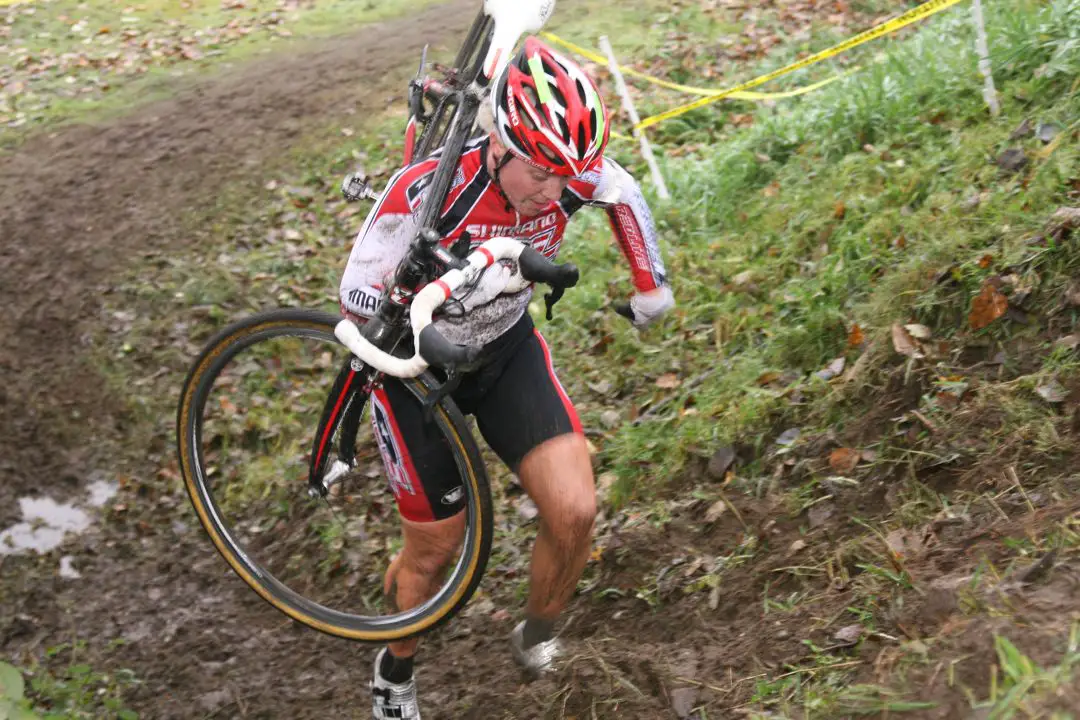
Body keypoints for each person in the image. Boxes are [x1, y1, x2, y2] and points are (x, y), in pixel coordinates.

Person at [338, 37, 674, 720]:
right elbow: (355, 298)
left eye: (566, 175)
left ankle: (538, 634)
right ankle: (395, 671)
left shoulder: (569, 173)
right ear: (500, 145)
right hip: (411, 370)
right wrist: (439, 293)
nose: (556, 190)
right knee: (435, 550)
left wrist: (650, 288)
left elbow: (622, 190)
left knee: (575, 510)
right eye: (543, 174)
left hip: (502, 351)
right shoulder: (428, 191)